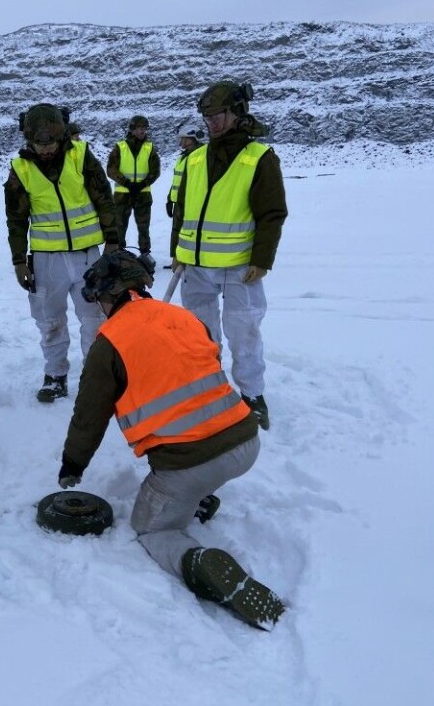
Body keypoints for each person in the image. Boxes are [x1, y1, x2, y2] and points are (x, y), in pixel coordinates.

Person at [56, 250, 286, 630]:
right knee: (196, 474)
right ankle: (197, 498)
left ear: (108, 295)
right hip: (245, 442)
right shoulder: (182, 316)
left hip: (191, 463)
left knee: (152, 528)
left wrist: (72, 465)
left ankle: (196, 561)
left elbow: (89, 415)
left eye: (98, 299)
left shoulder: (109, 342)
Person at [170, 82, 287, 430]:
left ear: (238, 112)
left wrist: (261, 259)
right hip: (196, 266)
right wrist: (177, 250)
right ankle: (209, 392)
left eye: (218, 115)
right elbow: (182, 210)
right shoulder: (194, 159)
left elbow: (272, 213)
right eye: (207, 117)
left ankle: (252, 395)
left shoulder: (259, 158)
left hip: (239, 267)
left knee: (244, 333)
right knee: (200, 335)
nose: (212, 123)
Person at [5, 103, 118, 402]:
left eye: (50, 143)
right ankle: (55, 375)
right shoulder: (21, 168)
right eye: (38, 144)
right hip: (46, 260)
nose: (45, 150)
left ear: (62, 135)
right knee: (49, 320)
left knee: (95, 317)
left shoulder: (81, 156)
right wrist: (19, 260)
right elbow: (16, 220)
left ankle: (95, 376)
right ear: (28, 139)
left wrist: (113, 241)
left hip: (87, 256)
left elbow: (104, 198)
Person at [105, 115, 161, 271]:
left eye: (144, 128)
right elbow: (111, 168)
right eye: (139, 128)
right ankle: (118, 253)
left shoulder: (150, 148)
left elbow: (155, 170)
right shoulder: (120, 147)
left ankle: (145, 253)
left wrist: (144, 183)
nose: (142, 131)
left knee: (144, 226)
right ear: (132, 129)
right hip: (123, 194)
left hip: (142, 194)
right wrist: (126, 182)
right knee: (119, 224)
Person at [165, 120, 204, 219]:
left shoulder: (203, 156)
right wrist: (170, 199)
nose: (180, 142)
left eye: (182, 139)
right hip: (179, 205)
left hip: (192, 206)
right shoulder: (182, 157)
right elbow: (177, 181)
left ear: (191, 139)